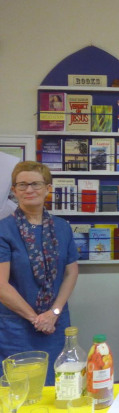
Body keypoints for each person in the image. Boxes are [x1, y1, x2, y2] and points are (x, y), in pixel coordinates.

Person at [0, 161, 79, 385]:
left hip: (55, 322)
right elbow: (1, 285)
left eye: (35, 184)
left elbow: (71, 272)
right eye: (22, 185)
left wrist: (53, 313)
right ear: (14, 191)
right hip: (16, 326)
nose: (29, 190)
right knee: (20, 388)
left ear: (48, 188)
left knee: (60, 385)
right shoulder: (3, 230)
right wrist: (36, 319)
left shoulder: (62, 227)